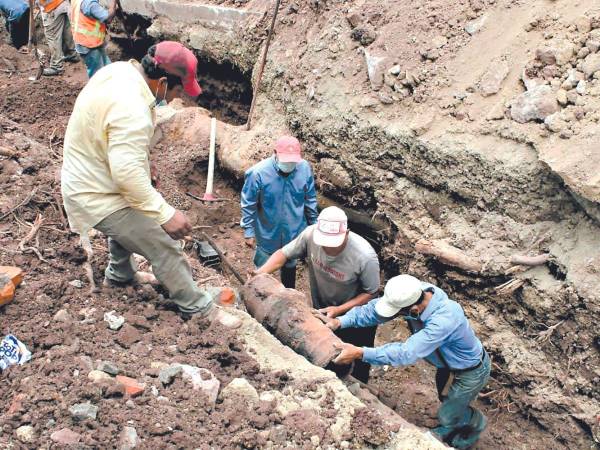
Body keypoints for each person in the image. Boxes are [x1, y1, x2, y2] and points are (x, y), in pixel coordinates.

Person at [61, 41, 240, 329]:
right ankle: (198, 309)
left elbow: (118, 145)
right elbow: (126, 176)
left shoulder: (121, 72)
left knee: (135, 219)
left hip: (94, 174)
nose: (177, 97)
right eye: (178, 90)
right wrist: (165, 214)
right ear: (164, 82)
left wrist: (145, 163)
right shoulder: (132, 107)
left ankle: (120, 275)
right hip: (95, 192)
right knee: (162, 242)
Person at [322, 274, 491, 449]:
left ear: (415, 310)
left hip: (470, 371)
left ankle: (476, 423)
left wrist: (360, 353)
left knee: (448, 414)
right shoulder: (413, 292)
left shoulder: (444, 319)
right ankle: (454, 415)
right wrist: (340, 321)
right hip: (446, 365)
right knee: (446, 398)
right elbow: (374, 312)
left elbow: (407, 353)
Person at [255, 206, 380, 382]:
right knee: (326, 351)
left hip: (357, 317)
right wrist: (261, 272)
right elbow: (284, 254)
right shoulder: (310, 235)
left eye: (333, 242)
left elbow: (371, 293)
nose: (328, 247)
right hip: (324, 310)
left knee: (356, 357)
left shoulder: (364, 257)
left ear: (346, 233)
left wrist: (339, 310)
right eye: (325, 241)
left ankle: (361, 389)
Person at [240, 136, 318, 289]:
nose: (289, 164)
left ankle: (289, 294)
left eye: (292, 161)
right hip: (267, 232)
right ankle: (256, 293)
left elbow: (310, 200)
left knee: (290, 265)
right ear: (275, 153)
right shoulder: (258, 173)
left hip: (293, 232)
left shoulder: (304, 169)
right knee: (262, 270)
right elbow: (248, 204)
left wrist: (314, 225)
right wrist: (248, 231)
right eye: (286, 160)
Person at [70, 0, 116, 78]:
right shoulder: (90, 4)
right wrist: (113, 5)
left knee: (108, 68)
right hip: (89, 44)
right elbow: (107, 18)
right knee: (98, 75)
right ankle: (99, 89)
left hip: (88, 42)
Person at [37, 0, 78, 76]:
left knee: (52, 36)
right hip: (64, 4)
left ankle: (56, 67)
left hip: (51, 8)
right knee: (66, 32)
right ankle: (72, 54)